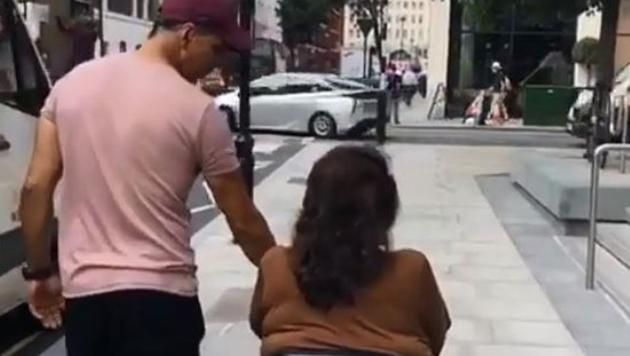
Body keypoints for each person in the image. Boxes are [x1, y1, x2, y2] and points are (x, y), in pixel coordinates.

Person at [19, 0, 276, 355]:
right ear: (187, 35)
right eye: (217, 49)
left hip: (88, 304)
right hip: (164, 302)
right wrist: (281, 271)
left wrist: (39, 272)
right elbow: (242, 219)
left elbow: (36, 187)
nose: (218, 62)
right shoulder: (198, 110)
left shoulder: (70, 87)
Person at [250, 146, 451, 356]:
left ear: (309, 206)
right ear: (385, 213)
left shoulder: (275, 265)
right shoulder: (411, 270)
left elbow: (259, 325)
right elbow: (436, 336)